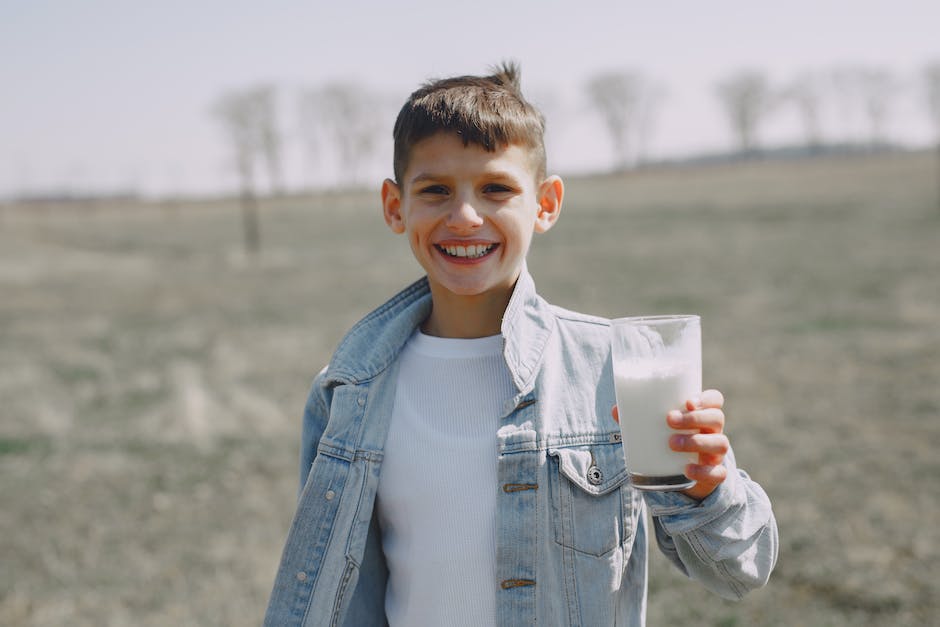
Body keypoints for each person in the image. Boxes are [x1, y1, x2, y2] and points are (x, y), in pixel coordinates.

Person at [264, 62, 778, 627]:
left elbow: (736, 571)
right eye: (435, 190)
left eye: (496, 189)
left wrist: (707, 486)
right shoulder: (348, 390)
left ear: (546, 203)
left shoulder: (612, 370)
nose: (464, 216)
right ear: (394, 206)